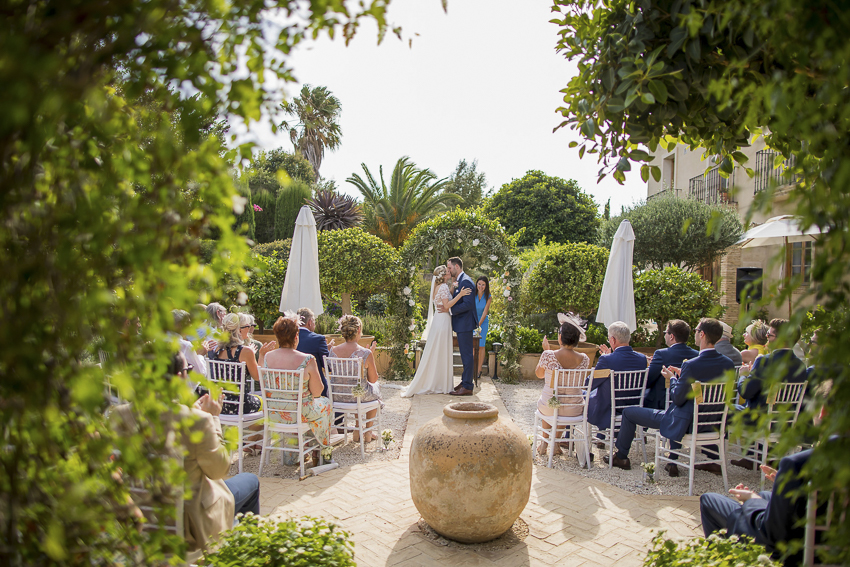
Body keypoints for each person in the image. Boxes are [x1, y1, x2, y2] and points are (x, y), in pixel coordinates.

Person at [113, 352, 261, 552]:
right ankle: (240, 554)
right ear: (178, 376)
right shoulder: (198, 421)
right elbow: (219, 470)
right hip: (190, 525)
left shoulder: (118, 416)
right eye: (187, 370)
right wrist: (213, 418)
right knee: (251, 481)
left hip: (144, 517)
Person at [605, 318, 735, 475]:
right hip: (714, 423)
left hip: (686, 423)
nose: (694, 334)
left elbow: (678, 399)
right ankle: (708, 459)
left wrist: (672, 379)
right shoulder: (728, 364)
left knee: (629, 412)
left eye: (696, 331)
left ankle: (621, 456)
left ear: (702, 334)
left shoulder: (691, 364)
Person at [699, 450, 813, 566]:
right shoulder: (829, 463)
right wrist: (784, 487)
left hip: (786, 549)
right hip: (814, 536)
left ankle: (719, 560)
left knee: (709, 499)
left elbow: (773, 532)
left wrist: (752, 499)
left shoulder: (795, 463)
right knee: (764, 494)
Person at [260, 315, 333, 457]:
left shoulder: (267, 357)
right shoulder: (307, 359)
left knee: (306, 407)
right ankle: (322, 451)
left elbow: (263, 383)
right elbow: (318, 392)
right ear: (296, 336)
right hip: (299, 413)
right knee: (325, 404)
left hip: (273, 413)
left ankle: (293, 455)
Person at [402, 265, 471, 397]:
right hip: (443, 321)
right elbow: (447, 305)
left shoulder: (439, 287)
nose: (449, 272)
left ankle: (437, 381)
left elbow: (446, 297)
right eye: (447, 271)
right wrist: (460, 294)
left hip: (439, 321)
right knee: (441, 351)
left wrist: (454, 287)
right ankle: (440, 383)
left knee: (438, 350)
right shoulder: (443, 287)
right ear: (443, 275)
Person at [534, 315, 590, 456]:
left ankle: (544, 443)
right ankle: (556, 443)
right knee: (561, 404)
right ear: (577, 340)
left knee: (552, 403)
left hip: (549, 407)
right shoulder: (585, 359)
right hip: (574, 410)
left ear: (560, 337)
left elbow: (539, 374)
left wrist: (544, 351)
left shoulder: (548, 355)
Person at [204, 313, 273, 416]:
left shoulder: (217, 349)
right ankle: (256, 431)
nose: (250, 329)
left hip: (219, 404)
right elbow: (258, 377)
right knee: (268, 402)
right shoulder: (245, 351)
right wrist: (261, 355)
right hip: (240, 406)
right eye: (247, 326)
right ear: (239, 330)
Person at [328, 315, 383, 442]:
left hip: (337, 396)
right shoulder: (365, 353)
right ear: (358, 330)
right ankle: (367, 431)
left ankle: (358, 429)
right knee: (375, 388)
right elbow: (373, 379)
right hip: (356, 396)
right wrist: (370, 356)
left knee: (357, 388)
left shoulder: (332, 351)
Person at [587, 321, 649, 434]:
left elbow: (590, 384)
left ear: (613, 340)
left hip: (609, 409)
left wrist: (604, 358)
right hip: (634, 406)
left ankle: (575, 440)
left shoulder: (606, 360)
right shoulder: (642, 359)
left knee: (584, 395)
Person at [644, 319, 699, 410]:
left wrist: (650, 365)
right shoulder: (696, 355)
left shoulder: (661, 354)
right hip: (687, 404)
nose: (664, 335)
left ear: (671, 336)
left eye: (665, 332)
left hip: (661, 405)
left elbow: (647, 381)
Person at [448, 257, 478, 396]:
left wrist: (451, 310)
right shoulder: (461, 280)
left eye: (450, 268)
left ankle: (467, 386)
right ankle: (465, 381)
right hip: (462, 323)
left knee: (466, 356)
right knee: (465, 355)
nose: (449, 270)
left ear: (457, 267)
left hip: (465, 324)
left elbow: (468, 304)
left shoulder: (466, 281)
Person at [296, 307, 331, 397]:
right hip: (315, 390)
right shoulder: (318, 339)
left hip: (293, 388)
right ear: (310, 322)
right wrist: (330, 352)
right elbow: (327, 366)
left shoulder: (287, 338)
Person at [474, 276, 492, 382]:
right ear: (476, 284)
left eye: (483, 284)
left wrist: (478, 325)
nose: (481, 286)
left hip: (483, 323)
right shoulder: (473, 294)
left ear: (486, 286)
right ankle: (473, 368)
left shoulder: (488, 297)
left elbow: (485, 313)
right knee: (472, 346)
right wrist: (473, 324)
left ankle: (479, 370)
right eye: (479, 284)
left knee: (481, 346)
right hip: (473, 322)